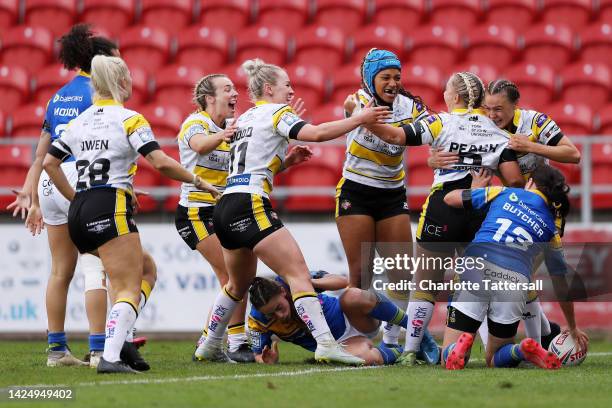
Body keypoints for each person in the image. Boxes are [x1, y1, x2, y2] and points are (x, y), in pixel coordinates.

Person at [197, 58, 390, 365]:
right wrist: (360, 118)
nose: (292, 90)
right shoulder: (277, 113)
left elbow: (256, 162)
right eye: (287, 85)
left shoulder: (245, 118)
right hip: (250, 203)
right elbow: (316, 133)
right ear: (270, 88)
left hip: (225, 206)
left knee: (236, 284)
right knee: (297, 274)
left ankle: (209, 344)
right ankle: (326, 344)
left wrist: (286, 160)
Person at [42, 55, 219, 374]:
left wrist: (76, 198)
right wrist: (198, 180)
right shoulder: (129, 119)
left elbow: (49, 163)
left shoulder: (78, 122)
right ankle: (110, 356)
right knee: (127, 286)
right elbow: (161, 162)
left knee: (146, 269)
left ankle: (118, 339)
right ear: (122, 82)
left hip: (79, 211)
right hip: (109, 205)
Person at [360, 71, 525, 365]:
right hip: (480, 207)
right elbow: (514, 182)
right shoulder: (499, 132)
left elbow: (397, 136)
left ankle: (410, 351)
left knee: (425, 284)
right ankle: (484, 348)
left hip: (442, 207)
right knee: (477, 284)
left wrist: (364, 119)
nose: (444, 94)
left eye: (447, 89)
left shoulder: (440, 121)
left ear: (457, 97)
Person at [5, 24, 130, 368]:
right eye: (117, 61)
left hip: (50, 181)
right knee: (95, 268)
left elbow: (42, 153)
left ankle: (57, 351)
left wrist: (31, 190)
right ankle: (96, 350)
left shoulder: (58, 96)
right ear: (102, 62)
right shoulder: (100, 93)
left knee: (60, 270)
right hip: (82, 178)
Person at [429, 79, 581, 349]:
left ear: (516, 105)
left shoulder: (534, 122)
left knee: (518, 277)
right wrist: (432, 160)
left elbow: (573, 154)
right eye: (487, 107)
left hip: (541, 211)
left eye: (499, 109)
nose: (492, 114)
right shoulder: (484, 126)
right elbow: (458, 152)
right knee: (512, 278)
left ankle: (537, 339)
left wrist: (531, 146)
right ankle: (542, 338)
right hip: (505, 204)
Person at [441, 164, 589, 369]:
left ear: (530, 183)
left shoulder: (505, 192)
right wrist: (572, 327)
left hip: (476, 266)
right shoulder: (551, 229)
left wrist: (475, 189)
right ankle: (520, 350)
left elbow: (450, 199)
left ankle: (458, 348)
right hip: (515, 280)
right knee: (495, 359)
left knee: (448, 357)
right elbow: (561, 285)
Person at [337, 49, 432, 352]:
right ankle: (355, 337)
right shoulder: (356, 102)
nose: (392, 83)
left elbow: (419, 136)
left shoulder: (411, 107)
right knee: (361, 274)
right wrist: (356, 115)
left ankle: (391, 340)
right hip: (356, 191)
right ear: (370, 80)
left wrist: (438, 155)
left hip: (392, 194)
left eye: (396, 77)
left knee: (401, 271)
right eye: (385, 78)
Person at [248, 272, 411, 366]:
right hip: (341, 344)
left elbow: (342, 281)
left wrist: (307, 283)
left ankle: (416, 331)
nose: (280, 316)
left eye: (279, 308)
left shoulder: (290, 282)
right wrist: (267, 360)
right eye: (271, 314)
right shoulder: (258, 320)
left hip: (353, 317)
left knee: (353, 295)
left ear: (282, 292)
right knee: (365, 359)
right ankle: (408, 350)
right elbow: (258, 355)